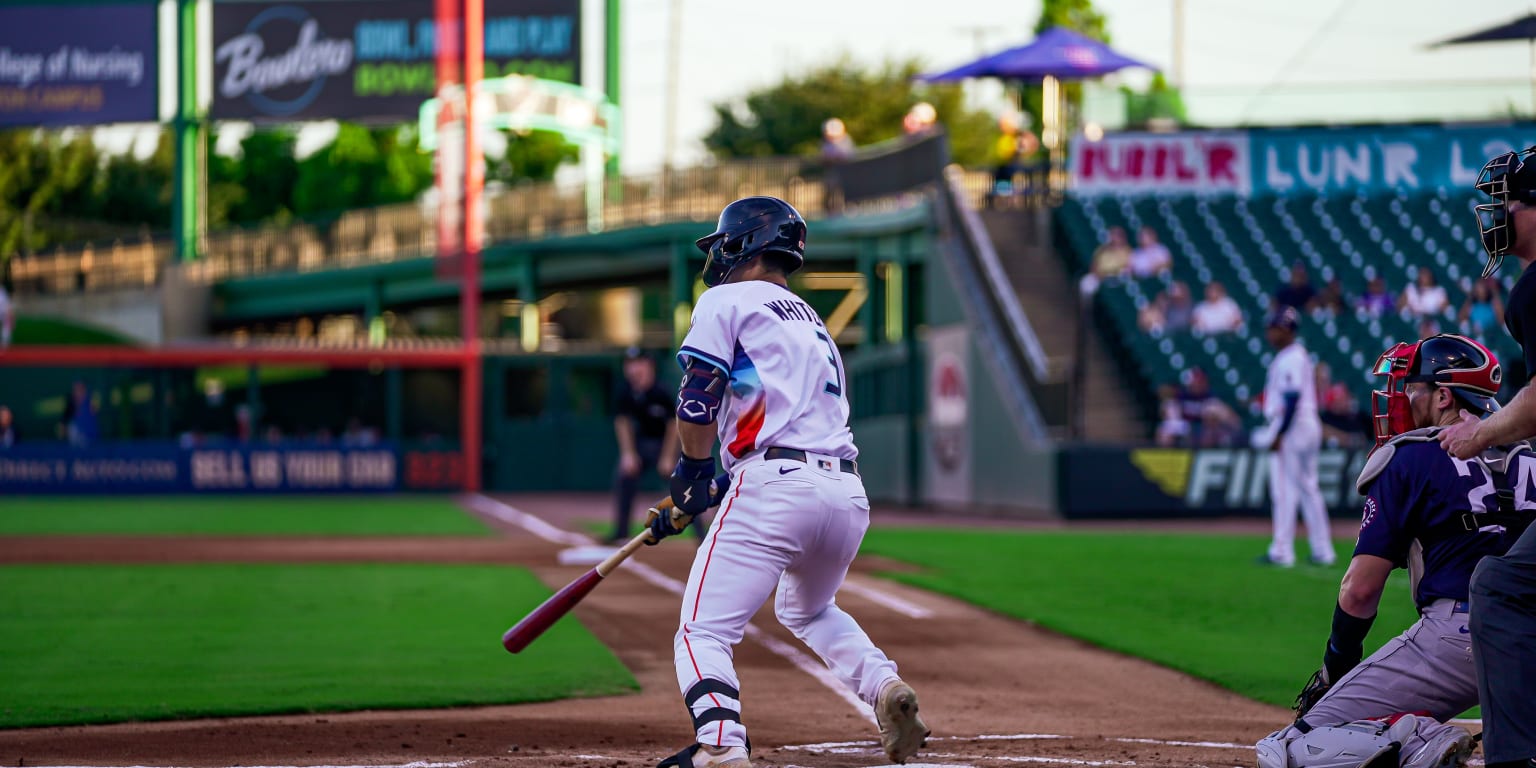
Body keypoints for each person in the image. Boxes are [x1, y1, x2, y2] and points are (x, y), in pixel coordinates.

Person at [651, 197, 929, 768]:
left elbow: (698, 402)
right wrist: (699, 489)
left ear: (741, 245)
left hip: (775, 484)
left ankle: (721, 744)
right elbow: (767, 419)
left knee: (701, 631)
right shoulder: (810, 319)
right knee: (807, 608)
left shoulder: (723, 300)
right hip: (844, 493)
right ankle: (884, 688)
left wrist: (693, 472)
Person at [1255, 334, 1517, 768]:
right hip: (1526, 640)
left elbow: (1359, 592)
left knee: (1294, 747)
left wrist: (1334, 668)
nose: (1403, 398)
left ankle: (1420, 740)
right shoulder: (1530, 453)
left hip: (1461, 636)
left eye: (1413, 387)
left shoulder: (1410, 457)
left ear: (1444, 396)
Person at [1437, 145, 1536, 768]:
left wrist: (1480, 434)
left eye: (1512, 201)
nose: (1499, 212)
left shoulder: (1535, 288)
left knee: (1498, 588)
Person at [1252, 307, 1334, 568]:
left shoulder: (1289, 357)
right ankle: (1322, 550)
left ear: (1286, 329)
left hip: (1294, 424)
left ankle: (1282, 551)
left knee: (1285, 490)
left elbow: (1291, 397)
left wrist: (1279, 433)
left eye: (1274, 328)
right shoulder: (1298, 356)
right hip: (1306, 423)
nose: (1270, 333)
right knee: (1309, 488)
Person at [608, 347, 689, 543]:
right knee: (623, 475)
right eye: (629, 364)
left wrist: (668, 457)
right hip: (642, 444)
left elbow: (674, 425)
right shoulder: (626, 391)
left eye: (638, 363)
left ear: (649, 366)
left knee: (685, 486)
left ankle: (703, 536)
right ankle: (621, 532)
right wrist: (628, 454)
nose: (633, 369)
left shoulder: (663, 390)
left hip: (667, 444)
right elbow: (622, 422)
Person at [60, 381, 98, 447]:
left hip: (90, 440)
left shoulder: (90, 403)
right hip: (76, 441)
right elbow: (63, 424)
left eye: (80, 390)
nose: (78, 393)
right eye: (76, 390)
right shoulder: (70, 406)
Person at [0, 279, 12, 349]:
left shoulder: (3, 291)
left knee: (7, 325)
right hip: (3, 311)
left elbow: (7, 303)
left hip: (3, 311)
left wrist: (9, 312)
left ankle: (5, 343)